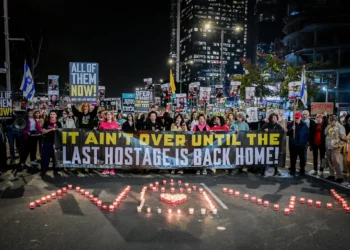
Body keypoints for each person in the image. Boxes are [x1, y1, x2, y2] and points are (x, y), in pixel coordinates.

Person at [325, 115, 349, 183]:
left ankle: (339, 176)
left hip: (336, 146)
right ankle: (332, 175)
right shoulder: (329, 126)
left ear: (335, 121)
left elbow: (343, 136)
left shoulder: (340, 127)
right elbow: (325, 133)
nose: (331, 122)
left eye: (332, 121)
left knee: (335, 160)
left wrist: (345, 138)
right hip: (329, 145)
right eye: (330, 121)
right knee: (330, 160)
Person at [286, 112, 309, 176]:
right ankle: (292, 170)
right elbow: (287, 133)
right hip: (293, 145)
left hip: (301, 145)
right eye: (295, 118)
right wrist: (291, 129)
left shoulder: (304, 125)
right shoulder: (290, 124)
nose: (296, 119)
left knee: (302, 158)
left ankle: (302, 169)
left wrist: (306, 143)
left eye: (298, 118)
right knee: (293, 158)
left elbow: (307, 134)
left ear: (300, 117)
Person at [41, 111, 62, 176]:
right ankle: (44, 170)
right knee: (45, 157)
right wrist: (51, 129)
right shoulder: (46, 122)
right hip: (47, 142)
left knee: (55, 158)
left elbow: (60, 133)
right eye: (51, 114)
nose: (52, 115)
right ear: (49, 115)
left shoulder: (59, 123)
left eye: (54, 114)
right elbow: (43, 132)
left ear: (56, 116)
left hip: (55, 143)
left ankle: (55, 170)